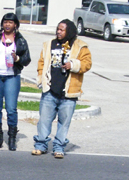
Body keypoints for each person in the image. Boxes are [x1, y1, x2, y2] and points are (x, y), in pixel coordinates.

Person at [32, 19, 92, 158]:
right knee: (44, 120)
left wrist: (74, 64)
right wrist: (41, 76)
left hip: (68, 92)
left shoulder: (81, 46)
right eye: (58, 29)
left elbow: (87, 64)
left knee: (64, 123)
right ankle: (41, 145)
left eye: (62, 30)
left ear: (69, 31)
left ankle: (59, 147)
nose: (58, 32)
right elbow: (41, 62)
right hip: (50, 90)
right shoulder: (49, 45)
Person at [0, 12, 31, 150]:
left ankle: (12, 138)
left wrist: (17, 59)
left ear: (15, 25)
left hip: (12, 77)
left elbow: (27, 59)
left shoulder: (20, 40)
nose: (7, 24)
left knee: (11, 109)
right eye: (5, 22)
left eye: (10, 22)